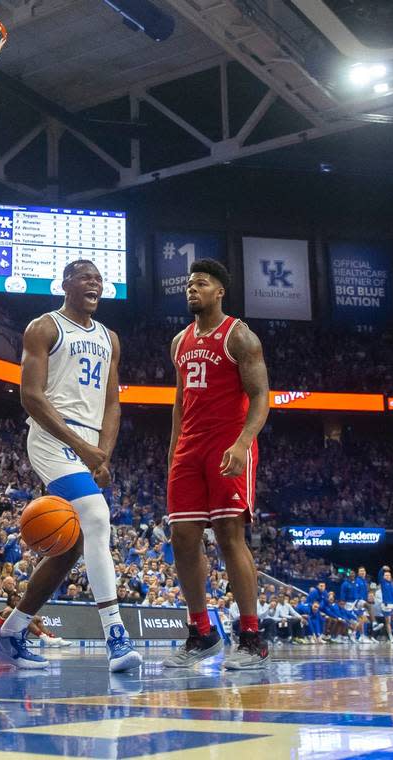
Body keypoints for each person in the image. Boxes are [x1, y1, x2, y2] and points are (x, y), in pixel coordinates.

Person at [0, 260, 141, 672]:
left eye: (99, 278)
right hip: (52, 437)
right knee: (96, 514)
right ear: (65, 284)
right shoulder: (45, 327)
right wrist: (83, 448)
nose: (95, 283)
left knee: (71, 545)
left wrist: (102, 453)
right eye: (86, 277)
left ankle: (10, 633)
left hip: (89, 443)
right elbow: (31, 396)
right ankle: (116, 635)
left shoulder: (111, 338)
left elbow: (113, 402)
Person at [163, 259, 271, 671]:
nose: (192, 289)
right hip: (189, 449)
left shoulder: (240, 336)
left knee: (230, 535)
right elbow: (179, 401)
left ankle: (251, 636)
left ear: (220, 291)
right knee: (183, 539)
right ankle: (202, 633)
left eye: (201, 283)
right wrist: (174, 450)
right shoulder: (179, 341)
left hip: (228, 443)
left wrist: (244, 443)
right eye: (189, 284)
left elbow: (261, 396)